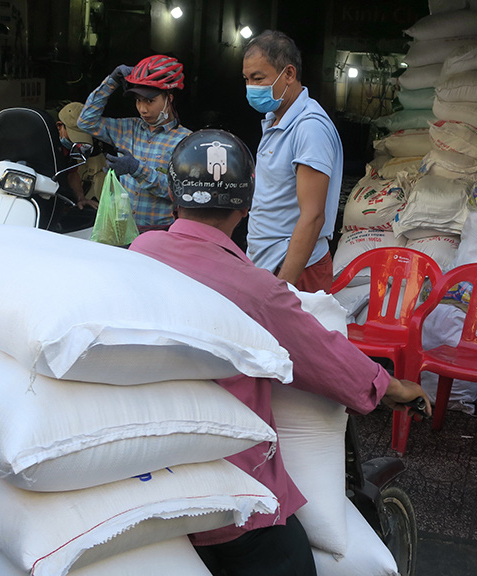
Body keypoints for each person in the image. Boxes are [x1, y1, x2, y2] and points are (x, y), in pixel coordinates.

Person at [129, 129, 431, 576]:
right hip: (235, 503)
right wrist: (391, 387)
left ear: (174, 197)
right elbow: (324, 356)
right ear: (245, 206)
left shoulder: (140, 252)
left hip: (149, 473)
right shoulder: (256, 290)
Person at [242, 31, 343, 293]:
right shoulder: (274, 120)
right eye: (246, 79)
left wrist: (282, 287)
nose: (251, 87)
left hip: (296, 271)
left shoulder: (309, 128)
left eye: (258, 78)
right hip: (268, 265)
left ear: (288, 74)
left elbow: (313, 216)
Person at [77, 54, 192, 231]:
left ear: (169, 98)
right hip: (122, 229)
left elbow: (179, 191)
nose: (142, 109)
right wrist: (111, 81)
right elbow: (86, 121)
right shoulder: (128, 127)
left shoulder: (185, 141)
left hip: (160, 232)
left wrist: (137, 169)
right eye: (138, 100)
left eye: (150, 101)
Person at [56, 101, 101, 210]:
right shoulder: (44, 143)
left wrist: (81, 198)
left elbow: (72, 174)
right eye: (72, 136)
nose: (75, 142)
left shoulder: (70, 149)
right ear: (59, 126)